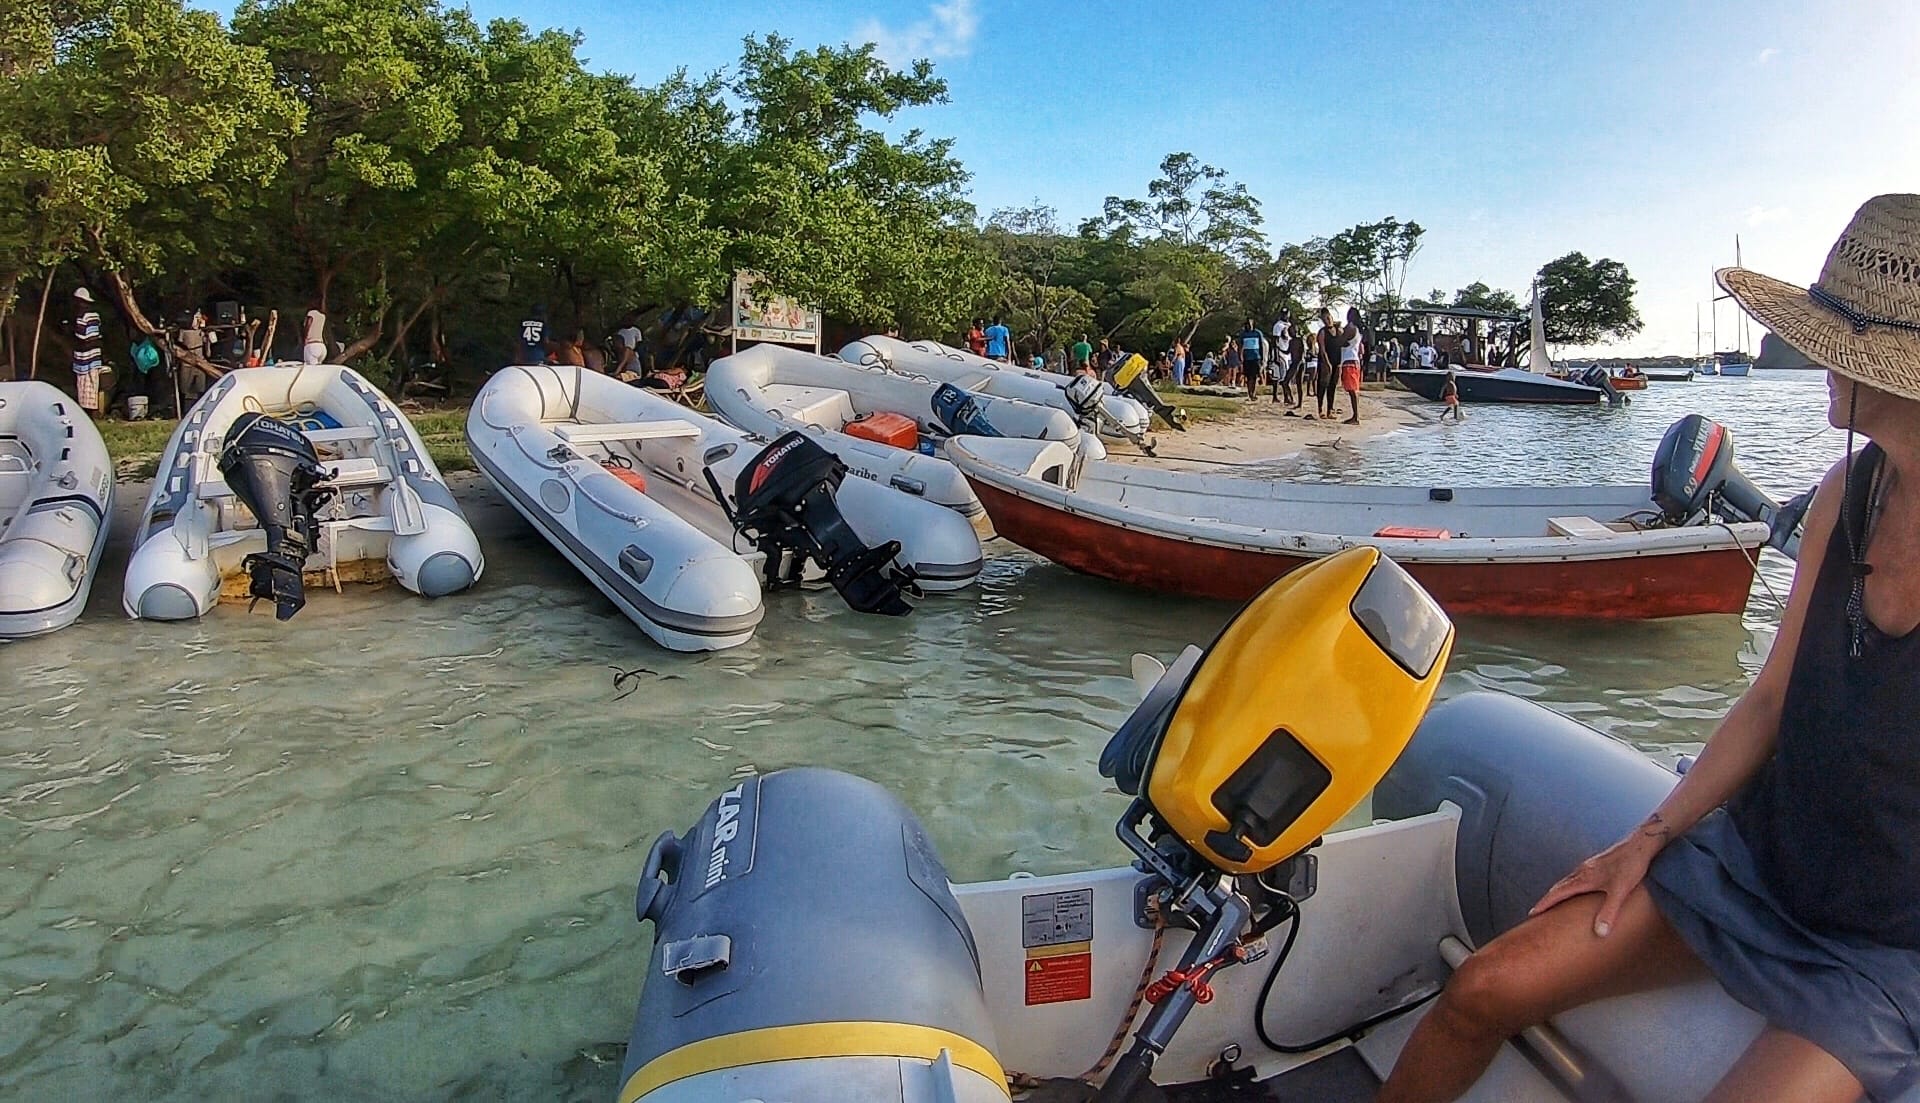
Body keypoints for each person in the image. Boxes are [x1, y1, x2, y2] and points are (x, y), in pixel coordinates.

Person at [1377, 193, 1920, 1103]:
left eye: (1832, 345)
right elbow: (1770, 700)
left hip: (1882, 952)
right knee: (1482, 988)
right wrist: (1652, 836)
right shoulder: (1846, 492)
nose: (1816, 361)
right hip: (1756, 866)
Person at [71, 288, 104, 414]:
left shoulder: (81, 316)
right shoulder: (95, 315)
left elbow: (81, 336)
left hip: (84, 355)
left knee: (84, 383)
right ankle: (93, 409)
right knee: (93, 381)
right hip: (95, 354)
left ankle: (86, 411)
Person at [1313, 308, 1344, 420]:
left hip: (1337, 361)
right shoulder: (1322, 332)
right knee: (1323, 385)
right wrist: (1327, 363)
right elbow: (1322, 349)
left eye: (1328, 318)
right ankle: (1320, 409)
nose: (1328, 320)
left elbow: (1343, 343)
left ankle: (1330, 410)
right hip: (1326, 361)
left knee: (1333, 386)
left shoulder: (1338, 330)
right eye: (1325, 319)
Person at [1340, 306, 1365, 424]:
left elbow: (1342, 341)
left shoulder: (1350, 328)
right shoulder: (1358, 330)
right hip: (1355, 360)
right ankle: (1356, 415)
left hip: (1349, 360)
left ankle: (1356, 416)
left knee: (1352, 390)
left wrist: (1339, 331)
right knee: (1354, 390)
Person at [1238, 318, 1265, 400]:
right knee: (1249, 377)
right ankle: (1250, 393)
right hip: (1247, 358)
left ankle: (1253, 393)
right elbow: (1240, 346)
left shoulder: (1258, 333)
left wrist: (1262, 357)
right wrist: (1240, 356)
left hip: (1256, 357)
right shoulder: (1243, 334)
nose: (1249, 326)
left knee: (1255, 376)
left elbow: (1261, 346)